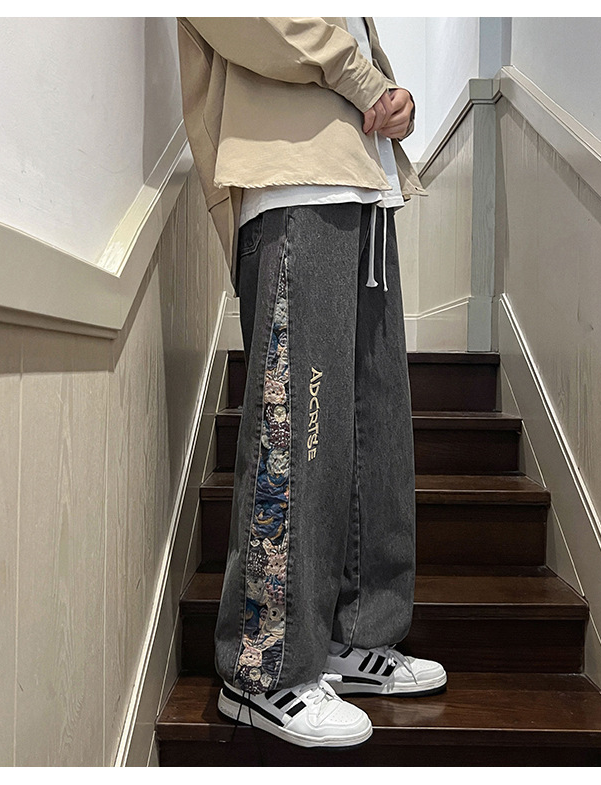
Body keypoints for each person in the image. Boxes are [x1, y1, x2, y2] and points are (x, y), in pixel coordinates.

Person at [177, 16, 447, 749]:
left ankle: (353, 635)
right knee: (299, 430)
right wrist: (365, 80)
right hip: (292, 179)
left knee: (372, 428)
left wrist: (396, 99)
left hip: (365, 185)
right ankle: (262, 672)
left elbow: (352, 38)